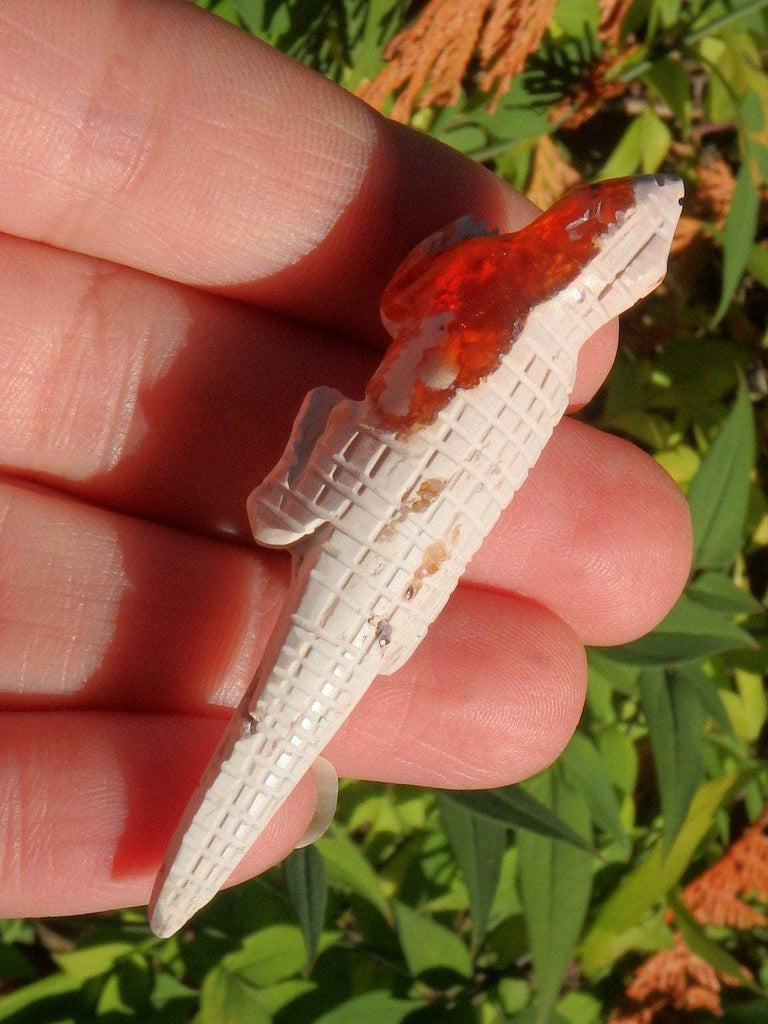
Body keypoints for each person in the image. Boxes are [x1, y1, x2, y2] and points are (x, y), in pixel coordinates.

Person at [0, 0, 691, 921]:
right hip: (395, 530)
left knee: (292, 644)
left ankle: (192, 870)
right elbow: (409, 317)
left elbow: (405, 313)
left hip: (391, 521)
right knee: (297, 652)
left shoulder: (510, 305)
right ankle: (188, 874)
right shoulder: (538, 331)